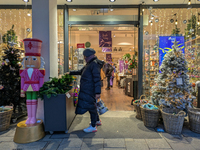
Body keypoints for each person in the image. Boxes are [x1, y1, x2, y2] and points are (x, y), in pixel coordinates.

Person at [68, 48, 104, 133]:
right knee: (92, 106)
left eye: (86, 56)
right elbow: (81, 71)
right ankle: (97, 121)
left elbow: (97, 79)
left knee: (91, 107)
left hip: (89, 90)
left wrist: (98, 92)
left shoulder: (94, 64)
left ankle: (93, 126)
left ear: (91, 56)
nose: (85, 58)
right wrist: (70, 73)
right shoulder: (90, 64)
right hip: (88, 89)